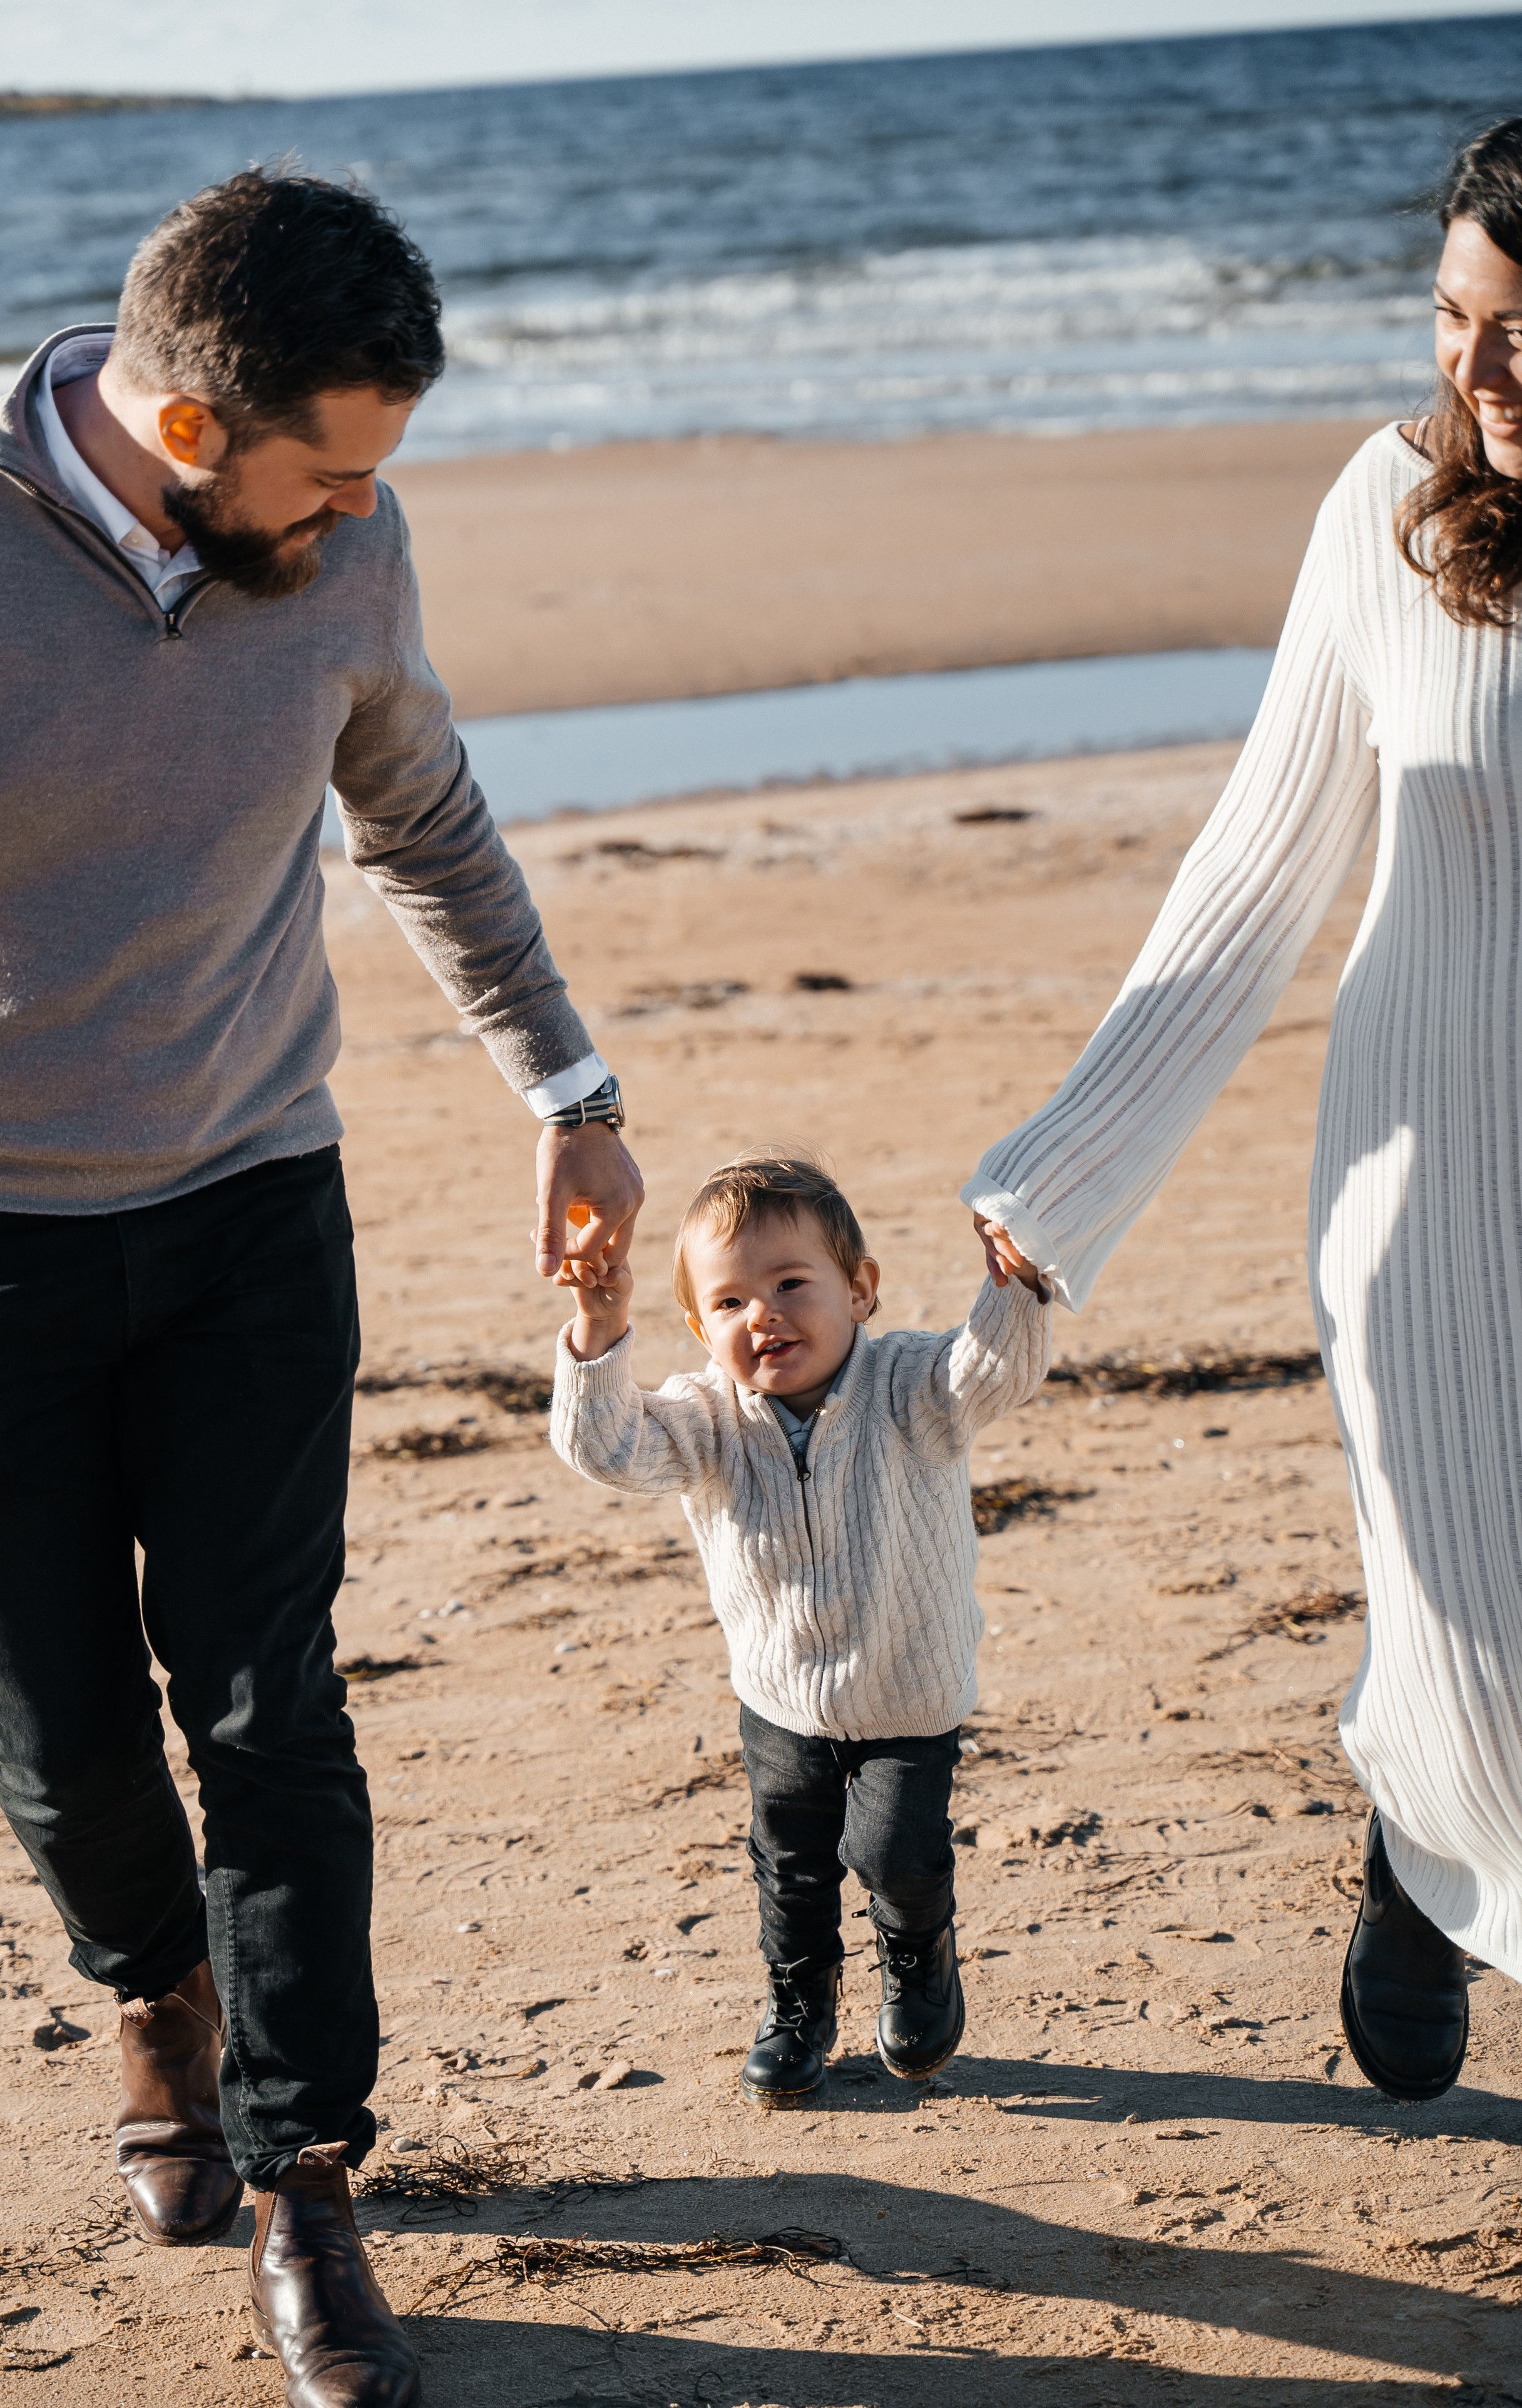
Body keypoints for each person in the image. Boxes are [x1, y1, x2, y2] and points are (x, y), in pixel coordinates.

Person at [0, 168, 641, 2407]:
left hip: (250, 1210)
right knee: (62, 1740)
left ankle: (308, 2169)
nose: (355, 522)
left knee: (271, 1707)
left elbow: (425, 815)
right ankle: (155, 1990)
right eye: (328, 474)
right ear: (192, 424)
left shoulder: (347, 553)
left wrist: (573, 1086)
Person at [962, 118, 1522, 2108]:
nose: (1484, 376)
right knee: (1472, 1616)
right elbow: (1255, 869)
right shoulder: (1388, 516)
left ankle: (1433, 1827)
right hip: (1430, 1172)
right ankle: (1423, 1831)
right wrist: (1069, 1167)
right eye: (1458, 322)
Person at [549, 1149, 1049, 2103]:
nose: (763, 1316)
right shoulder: (704, 1418)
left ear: (859, 1289)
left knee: (897, 1855)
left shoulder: (914, 1389)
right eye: (730, 1303)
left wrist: (1016, 1284)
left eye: (790, 1284)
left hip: (908, 1693)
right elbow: (605, 1447)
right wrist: (598, 1331)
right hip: (780, 1700)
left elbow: (996, 1370)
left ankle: (920, 1958)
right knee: (791, 1872)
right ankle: (798, 2003)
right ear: (700, 1328)